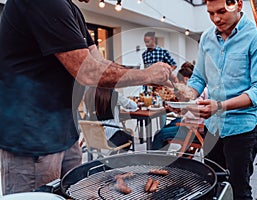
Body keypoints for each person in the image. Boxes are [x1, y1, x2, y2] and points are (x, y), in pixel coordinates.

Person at [0, 0, 174, 195]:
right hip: (31, 138)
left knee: (76, 193)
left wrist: (150, 75)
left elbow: (98, 62)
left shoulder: (70, 8)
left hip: (65, 130)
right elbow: (88, 72)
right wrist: (147, 75)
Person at [178, 0, 257, 199]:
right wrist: (184, 97)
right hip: (213, 128)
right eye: (210, 13)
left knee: (238, 191)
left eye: (221, 11)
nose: (216, 19)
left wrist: (220, 106)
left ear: (238, 4)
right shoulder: (206, 38)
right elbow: (198, 77)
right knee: (211, 186)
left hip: (243, 129)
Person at [84, 87, 136, 151]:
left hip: (93, 136)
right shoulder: (113, 95)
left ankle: (111, 158)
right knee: (129, 138)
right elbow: (133, 106)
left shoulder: (88, 93)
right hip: (111, 136)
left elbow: (86, 112)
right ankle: (113, 159)